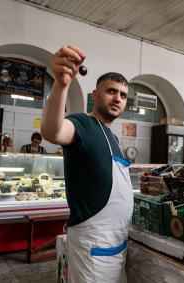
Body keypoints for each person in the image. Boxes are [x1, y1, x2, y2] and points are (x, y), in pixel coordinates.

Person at [41, 45, 133, 283]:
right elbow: (53, 131)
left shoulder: (112, 137)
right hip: (94, 244)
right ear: (95, 95)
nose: (118, 98)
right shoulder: (84, 123)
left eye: (123, 95)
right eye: (111, 91)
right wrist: (61, 84)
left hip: (117, 242)